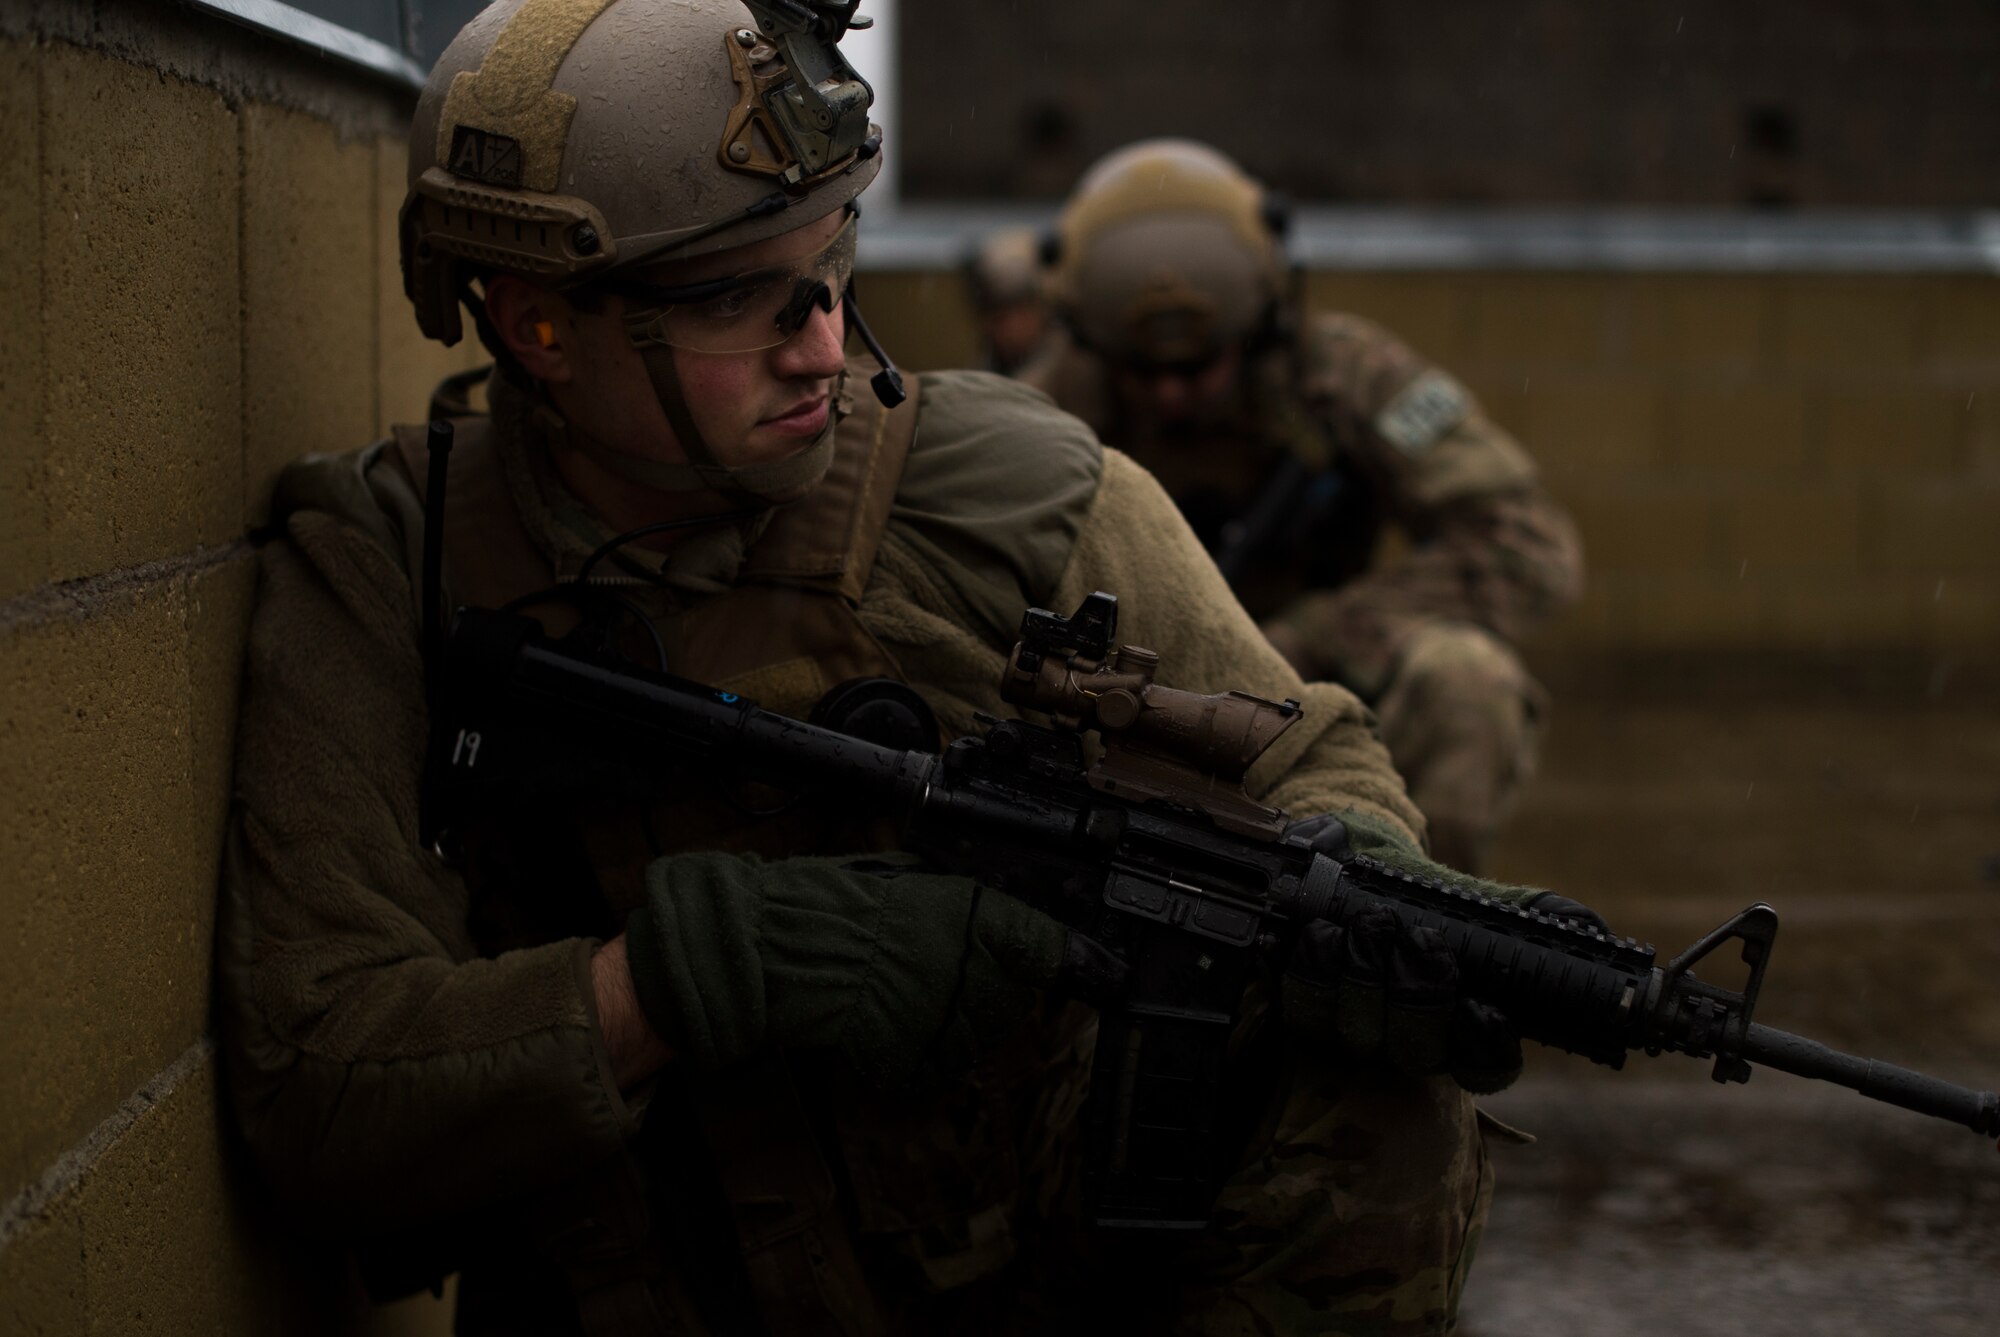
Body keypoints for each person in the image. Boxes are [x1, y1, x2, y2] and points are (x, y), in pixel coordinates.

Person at [218, 4, 1588, 1333]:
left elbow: (1307, 750)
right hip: (644, 1281)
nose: (824, 345)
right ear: (537, 328)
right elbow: (327, 1100)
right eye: (740, 299)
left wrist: (1361, 874)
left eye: (831, 267)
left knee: (1376, 1078)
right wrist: (687, 978)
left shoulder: (1001, 486)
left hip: (1016, 1257)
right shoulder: (391, 568)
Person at [1020, 141, 1585, 874]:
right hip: (1124, 703)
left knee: (1467, 681)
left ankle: (1417, 916)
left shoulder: (1339, 377)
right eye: (1142, 370)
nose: (1170, 395)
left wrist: (1312, 637)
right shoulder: (1048, 408)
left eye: (1198, 365)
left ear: (1258, 325)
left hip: (1324, 691)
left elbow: (1527, 544)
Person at [960, 226, 1054, 374]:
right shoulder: (982, 375)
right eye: (1000, 319)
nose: (1013, 328)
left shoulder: (1062, 367)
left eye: (1024, 313)